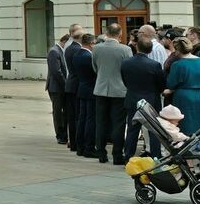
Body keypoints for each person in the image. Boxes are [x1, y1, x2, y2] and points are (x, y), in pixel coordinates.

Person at [91, 23, 132, 165]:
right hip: (119, 90)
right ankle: (117, 154)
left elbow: (95, 67)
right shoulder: (126, 49)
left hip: (101, 89)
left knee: (101, 122)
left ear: (106, 32)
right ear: (120, 34)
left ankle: (101, 153)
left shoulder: (96, 48)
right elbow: (127, 70)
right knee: (118, 124)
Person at [164, 36, 200, 145]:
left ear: (177, 50)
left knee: (187, 126)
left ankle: (187, 153)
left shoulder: (178, 64)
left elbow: (171, 83)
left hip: (185, 97)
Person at [121, 38, 165, 160]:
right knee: (153, 130)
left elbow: (124, 80)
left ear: (136, 47)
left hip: (132, 98)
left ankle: (128, 156)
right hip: (151, 100)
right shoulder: (155, 65)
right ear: (150, 50)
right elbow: (161, 84)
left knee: (132, 129)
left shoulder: (126, 63)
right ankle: (155, 156)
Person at [156, 105, 200, 170]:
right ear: (169, 119)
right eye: (176, 121)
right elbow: (176, 136)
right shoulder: (166, 126)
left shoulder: (164, 124)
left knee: (198, 143)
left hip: (176, 144)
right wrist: (186, 138)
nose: (177, 123)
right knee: (199, 141)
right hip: (177, 147)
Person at [70, 33, 97, 159]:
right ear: (91, 43)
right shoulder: (88, 56)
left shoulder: (77, 54)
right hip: (91, 89)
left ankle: (79, 146)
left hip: (81, 88)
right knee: (90, 119)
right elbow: (94, 73)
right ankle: (88, 147)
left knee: (82, 118)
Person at [62, 24, 84, 151]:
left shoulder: (69, 47)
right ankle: (76, 142)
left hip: (70, 84)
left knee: (72, 116)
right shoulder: (77, 50)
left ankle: (73, 141)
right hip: (76, 85)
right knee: (77, 115)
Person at [46, 34, 69, 145]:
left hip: (61, 86)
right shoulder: (54, 51)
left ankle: (64, 132)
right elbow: (56, 72)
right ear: (64, 41)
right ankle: (60, 134)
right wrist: (65, 85)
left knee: (63, 111)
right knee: (58, 112)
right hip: (56, 87)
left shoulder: (61, 51)